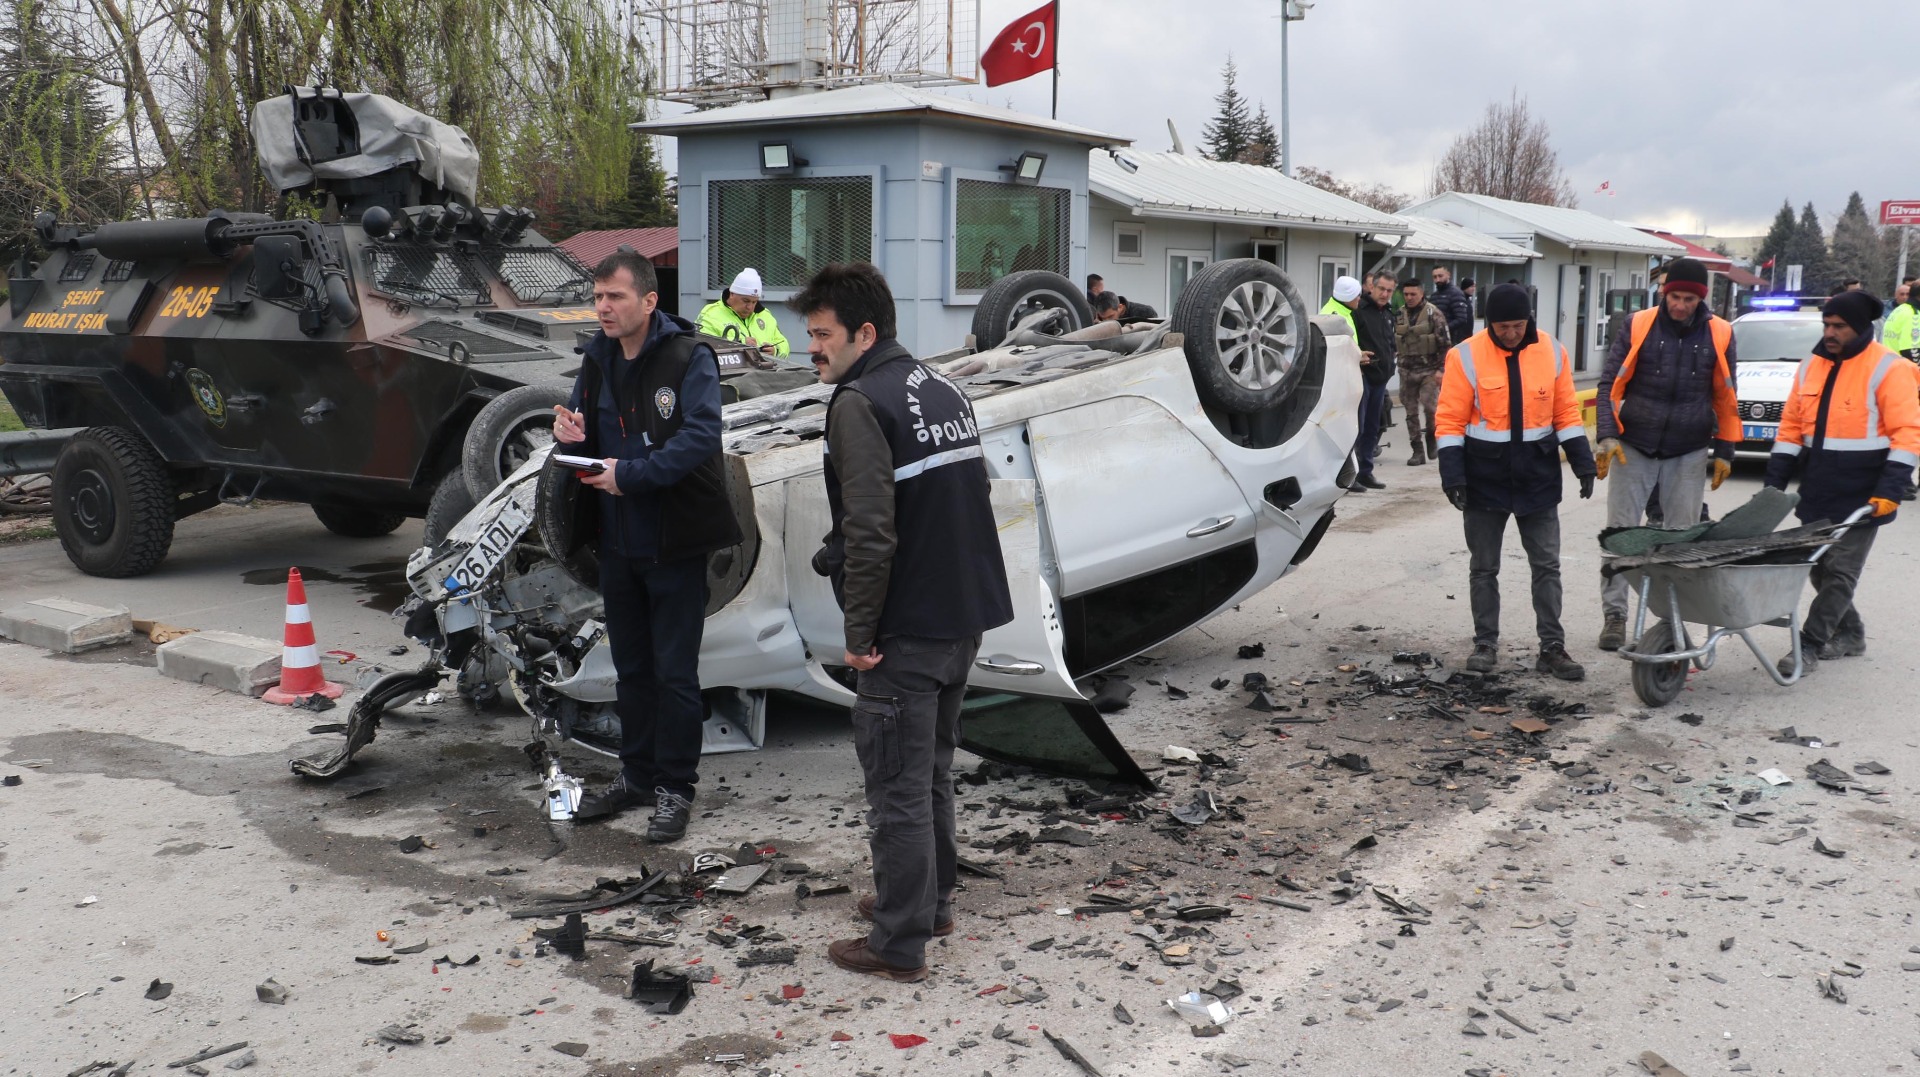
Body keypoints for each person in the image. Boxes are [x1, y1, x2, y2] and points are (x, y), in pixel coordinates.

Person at [792, 262, 1014, 983]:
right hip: (962, 617)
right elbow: (962, 495)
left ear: (864, 332)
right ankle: (932, 901)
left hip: (908, 630)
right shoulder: (943, 387)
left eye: (822, 335)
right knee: (932, 772)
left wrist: (859, 636)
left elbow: (871, 529)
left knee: (896, 786)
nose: (812, 350)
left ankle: (898, 942)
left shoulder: (859, 401)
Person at [553, 251, 742, 841]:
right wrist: (570, 430)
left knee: (674, 673)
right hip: (617, 543)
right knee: (630, 669)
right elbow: (583, 421)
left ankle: (675, 790)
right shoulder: (597, 357)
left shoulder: (690, 357)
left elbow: (702, 435)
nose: (603, 307)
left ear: (649, 301)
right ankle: (635, 779)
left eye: (615, 296)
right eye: (598, 295)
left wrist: (632, 475)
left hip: (675, 542)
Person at [1435, 282, 1596, 681]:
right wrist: (1452, 475)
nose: (1511, 333)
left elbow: (1565, 414)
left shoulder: (1552, 351)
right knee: (1484, 568)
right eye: (1503, 326)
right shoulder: (1465, 355)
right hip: (1482, 478)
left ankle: (1552, 648)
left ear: (1530, 320)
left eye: (1518, 325)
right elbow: (1450, 420)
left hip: (1537, 477)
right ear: (1489, 323)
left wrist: (1583, 463)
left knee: (1547, 567)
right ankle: (1485, 643)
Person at [1762, 290, 1920, 674]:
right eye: (1827, 325)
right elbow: (1791, 429)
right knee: (1817, 566)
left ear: (1861, 328)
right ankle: (1851, 632)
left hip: (1865, 490)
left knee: (1840, 571)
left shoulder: (1889, 367)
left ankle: (1810, 643)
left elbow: (1908, 432)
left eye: (1839, 326)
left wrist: (1890, 489)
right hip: (1819, 485)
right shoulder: (1810, 366)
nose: (1830, 333)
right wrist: (1773, 485)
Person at [1591, 258, 1741, 651]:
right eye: (1675, 296)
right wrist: (1607, 434)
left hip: (1688, 449)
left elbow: (1726, 395)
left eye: (1689, 298)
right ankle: (1615, 616)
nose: (1680, 305)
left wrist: (1725, 448)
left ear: (1701, 299)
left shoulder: (1720, 333)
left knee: (1680, 539)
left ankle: (1670, 622)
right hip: (1634, 444)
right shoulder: (1638, 325)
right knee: (1621, 535)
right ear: (1664, 291)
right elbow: (1610, 383)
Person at [1394, 277, 1452, 465]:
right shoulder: (1399, 314)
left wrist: (1441, 370)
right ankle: (1417, 451)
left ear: (1421, 293)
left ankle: (1431, 437)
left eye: (1413, 294)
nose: (1409, 298)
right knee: (1410, 412)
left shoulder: (1434, 314)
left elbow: (1445, 344)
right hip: (1406, 370)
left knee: (1430, 408)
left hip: (1429, 370)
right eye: (1406, 294)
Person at [1350, 271, 1398, 490]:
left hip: (1381, 378)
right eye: (1381, 289)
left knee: (1372, 427)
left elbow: (1390, 342)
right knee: (1355, 428)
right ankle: (1349, 475)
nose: (1385, 294)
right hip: (1362, 377)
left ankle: (1365, 472)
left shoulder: (1388, 313)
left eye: (1389, 290)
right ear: (1372, 287)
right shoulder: (1358, 311)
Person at [697, 268, 791, 357]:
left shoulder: (765, 315)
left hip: (764, 373)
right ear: (732, 294)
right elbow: (702, 347)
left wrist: (775, 350)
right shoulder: (710, 314)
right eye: (746, 301)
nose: (750, 307)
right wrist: (738, 345)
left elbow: (784, 344)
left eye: (754, 302)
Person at [1430, 266, 1475, 349]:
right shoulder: (1434, 296)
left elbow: (1461, 319)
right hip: (1436, 342)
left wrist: (1443, 329)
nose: (1437, 280)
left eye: (1440, 276)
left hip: (1452, 342)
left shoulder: (1456, 293)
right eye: (1435, 277)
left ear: (1448, 275)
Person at [1882, 279, 1919, 360]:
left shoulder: (1900, 309)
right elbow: (1910, 351)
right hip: (1903, 368)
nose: (1904, 297)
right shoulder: (1914, 314)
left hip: (1889, 363)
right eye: (1901, 294)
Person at [1094, 291, 1159, 322]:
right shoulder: (1096, 318)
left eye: (1111, 316)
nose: (1106, 321)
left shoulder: (1146, 312)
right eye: (1103, 318)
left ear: (1120, 307)